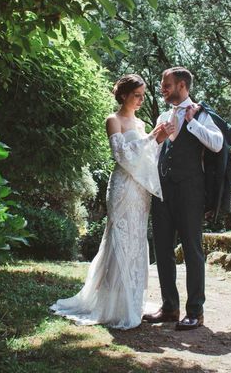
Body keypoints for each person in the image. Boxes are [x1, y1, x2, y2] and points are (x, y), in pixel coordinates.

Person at [51, 74, 174, 329]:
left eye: (143, 95)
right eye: (137, 94)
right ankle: (110, 304)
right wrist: (153, 137)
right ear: (124, 94)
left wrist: (159, 141)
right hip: (121, 187)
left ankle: (130, 301)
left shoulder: (140, 123)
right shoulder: (113, 120)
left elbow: (146, 158)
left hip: (140, 191)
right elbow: (121, 155)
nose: (141, 99)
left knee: (137, 239)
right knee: (119, 238)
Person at [143, 67, 223, 330]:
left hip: (190, 192)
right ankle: (169, 307)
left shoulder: (202, 114)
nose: (163, 89)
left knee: (192, 250)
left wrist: (192, 122)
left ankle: (195, 311)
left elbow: (217, 143)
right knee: (163, 250)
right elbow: (152, 154)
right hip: (163, 190)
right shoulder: (163, 115)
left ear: (182, 86)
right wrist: (158, 137)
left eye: (167, 85)